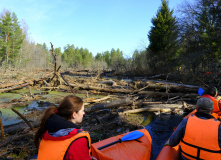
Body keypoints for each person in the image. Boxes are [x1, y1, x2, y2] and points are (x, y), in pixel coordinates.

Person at [34, 95, 93, 160]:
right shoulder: (78, 140)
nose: (84, 113)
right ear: (74, 114)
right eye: (82, 111)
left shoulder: (47, 131)